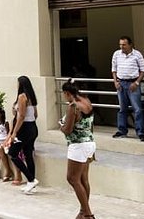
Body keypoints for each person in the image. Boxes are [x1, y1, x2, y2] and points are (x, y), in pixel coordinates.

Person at [60, 80, 96, 219]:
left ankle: (87, 213)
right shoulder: (87, 102)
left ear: (67, 93)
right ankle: (83, 211)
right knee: (83, 179)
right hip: (89, 143)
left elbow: (68, 130)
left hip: (78, 146)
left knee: (72, 179)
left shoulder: (73, 107)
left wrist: (61, 127)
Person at [4, 75, 39, 194]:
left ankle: (31, 179)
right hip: (33, 126)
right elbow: (35, 115)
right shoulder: (32, 97)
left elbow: (21, 116)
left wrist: (14, 133)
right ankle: (31, 183)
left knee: (12, 153)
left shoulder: (22, 97)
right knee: (28, 154)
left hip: (24, 128)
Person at [110, 36, 144, 141]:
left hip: (133, 83)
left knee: (137, 109)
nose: (122, 47)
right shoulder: (116, 54)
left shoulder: (137, 54)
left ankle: (140, 132)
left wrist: (137, 82)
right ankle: (122, 130)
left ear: (130, 45)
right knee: (122, 109)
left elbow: (143, 70)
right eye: (120, 44)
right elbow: (114, 69)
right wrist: (115, 81)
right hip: (121, 83)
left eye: (124, 44)